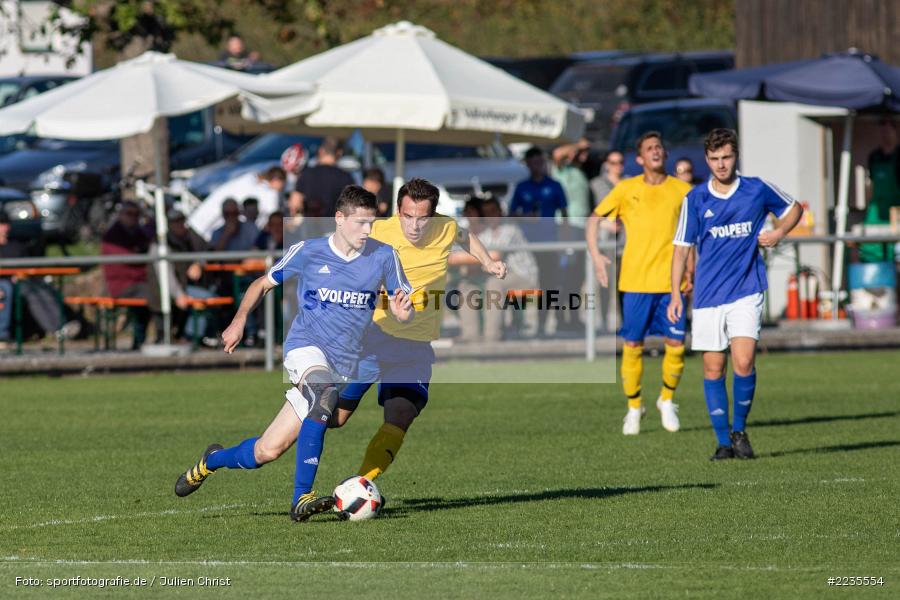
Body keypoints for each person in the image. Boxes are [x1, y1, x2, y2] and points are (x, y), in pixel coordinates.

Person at [173, 185, 413, 522]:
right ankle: (302, 497)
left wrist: (403, 314)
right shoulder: (309, 251)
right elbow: (261, 284)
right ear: (339, 218)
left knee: (267, 450)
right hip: (306, 347)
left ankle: (210, 461)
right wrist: (239, 321)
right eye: (360, 222)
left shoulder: (384, 256)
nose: (367, 230)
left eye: (371, 223)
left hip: (348, 359)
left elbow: (404, 306)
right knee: (324, 395)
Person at [333, 178, 507, 487]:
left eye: (422, 218)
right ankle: (278, 437)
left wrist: (487, 262)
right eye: (408, 216)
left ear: (434, 215)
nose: (414, 225)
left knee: (401, 415)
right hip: (372, 339)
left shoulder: (445, 227)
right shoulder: (378, 230)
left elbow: (464, 236)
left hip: (413, 347)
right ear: (397, 210)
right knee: (335, 417)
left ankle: (360, 485)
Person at [668, 128, 802, 460]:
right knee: (714, 368)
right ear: (706, 160)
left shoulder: (756, 189)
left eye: (726, 157)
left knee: (743, 361)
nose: (721, 164)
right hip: (708, 294)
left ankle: (739, 431)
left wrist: (778, 233)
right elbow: (681, 249)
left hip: (746, 288)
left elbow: (794, 208)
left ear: (735, 155)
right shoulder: (695, 199)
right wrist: (675, 294)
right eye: (714, 158)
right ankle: (722, 442)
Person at [585, 131, 692, 435]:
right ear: (640, 158)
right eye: (649, 148)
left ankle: (666, 400)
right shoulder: (626, 188)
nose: (655, 151)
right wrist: (596, 256)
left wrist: (692, 271)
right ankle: (634, 407)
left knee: (676, 344)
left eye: (659, 147)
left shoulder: (683, 190)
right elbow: (593, 220)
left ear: (665, 154)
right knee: (632, 344)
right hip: (635, 282)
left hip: (671, 284)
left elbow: (693, 235)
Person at [458, 198, 538, 341]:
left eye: (493, 211)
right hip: (498, 275)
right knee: (466, 285)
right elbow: (477, 257)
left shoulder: (509, 228)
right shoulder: (486, 232)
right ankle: (470, 336)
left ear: (500, 212)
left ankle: (492, 336)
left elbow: (494, 256)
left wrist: (454, 258)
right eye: (486, 212)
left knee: (494, 284)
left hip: (523, 276)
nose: (490, 215)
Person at [509, 146, 567, 336]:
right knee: (522, 282)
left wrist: (565, 240)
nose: (537, 166)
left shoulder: (554, 185)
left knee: (549, 284)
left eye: (539, 162)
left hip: (549, 243)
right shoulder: (521, 187)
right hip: (527, 245)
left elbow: (565, 214)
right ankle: (518, 323)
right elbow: (511, 214)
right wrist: (526, 217)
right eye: (532, 162)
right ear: (527, 164)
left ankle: (544, 323)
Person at [101, 201, 157, 348]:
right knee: (154, 294)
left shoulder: (138, 232)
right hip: (122, 285)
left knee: (158, 293)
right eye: (129, 214)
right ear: (120, 215)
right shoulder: (113, 235)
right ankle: (143, 339)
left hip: (139, 282)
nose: (133, 217)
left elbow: (151, 235)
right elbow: (129, 260)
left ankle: (145, 339)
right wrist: (143, 257)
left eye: (136, 214)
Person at [188, 167, 286, 241]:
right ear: (276, 180)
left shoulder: (249, 178)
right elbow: (275, 218)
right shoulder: (269, 193)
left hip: (197, 223)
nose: (283, 189)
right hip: (207, 232)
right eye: (283, 184)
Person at [288, 137, 355, 237]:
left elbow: (295, 204)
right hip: (335, 229)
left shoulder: (307, 174)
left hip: (310, 229)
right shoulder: (346, 177)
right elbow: (353, 206)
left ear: (321, 151)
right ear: (339, 153)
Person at [860, 118, 900, 262]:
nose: (885, 134)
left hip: (896, 209)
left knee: (895, 249)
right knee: (869, 246)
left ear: (895, 132)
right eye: (882, 129)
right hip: (877, 209)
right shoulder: (874, 156)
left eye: (888, 129)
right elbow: (870, 185)